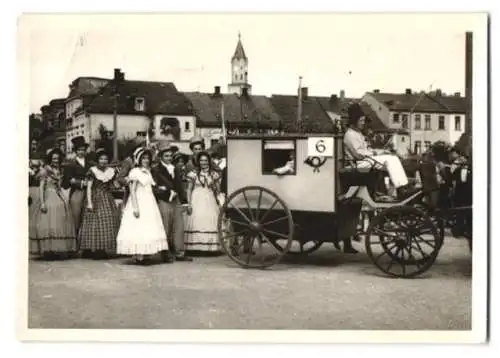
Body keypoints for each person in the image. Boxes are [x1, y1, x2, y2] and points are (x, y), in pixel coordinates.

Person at [115, 148, 169, 265]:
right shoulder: (135, 172)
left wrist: (161, 188)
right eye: (143, 158)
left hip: (149, 201)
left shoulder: (148, 172)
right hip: (139, 201)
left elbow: (150, 187)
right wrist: (135, 207)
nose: (146, 160)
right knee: (139, 226)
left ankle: (146, 254)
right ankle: (139, 255)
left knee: (149, 226)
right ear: (139, 159)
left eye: (148, 158)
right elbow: (132, 190)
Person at [343, 103, 409, 197]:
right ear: (354, 121)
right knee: (391, 160)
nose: (363, 123)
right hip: (358, 163)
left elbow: (367, 150)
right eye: (361, 120)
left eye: (363, 120)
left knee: (392, 159)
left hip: (365, 161)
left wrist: (381, 151)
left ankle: (395, 189)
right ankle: (401, 189)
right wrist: (375, 153)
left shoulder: (357, 133)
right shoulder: (350, 135)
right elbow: (358, 154)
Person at [29, 148, 77, 259]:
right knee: (48, 220)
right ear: (50, 159)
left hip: (58, 194)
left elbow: (60, 185)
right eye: (54, 158)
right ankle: (47, 250)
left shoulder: (60, 170)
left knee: (61, 217)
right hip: (48, 195)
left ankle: (56, 249)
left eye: (57, 158)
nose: (56, 160)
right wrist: (42, 203)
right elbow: (41, 187)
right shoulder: (45, 170)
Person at [152, 144, 192, 262]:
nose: (169, 158)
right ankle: (165, 253)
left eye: (170, 156)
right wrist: (166, 192)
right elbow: (154, 187)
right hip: (164, 200)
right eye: (166, 156)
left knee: (179, 226)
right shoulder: (156, 169)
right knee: (166, 226)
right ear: (161, 157)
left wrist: (184, 201)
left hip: (176, 200)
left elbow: (180, 186)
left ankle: (179, 252)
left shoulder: (175, 168)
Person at [78, 148, 120, 259]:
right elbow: (89, 187)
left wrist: (120, 182)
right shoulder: (93, 171)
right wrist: (90, 203)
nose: (103, 161)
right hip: (95, 196)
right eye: (101, 159)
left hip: (107, 197)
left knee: (107, 221)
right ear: (97, 160)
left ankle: (103, 248)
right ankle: (92, 249)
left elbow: (113, 185)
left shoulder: (111, 171)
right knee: (93, 223)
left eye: (105, 159)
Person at [184, 151, 223, 255]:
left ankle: (210, 248)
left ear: (209, 161)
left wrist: (213, 184)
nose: (203, 162)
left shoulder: (214, 174)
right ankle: (195, 247)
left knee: (209, 219)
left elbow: (218, 190)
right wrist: (189, 203)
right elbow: (189, 189)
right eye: (201, 160)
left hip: (209, 197)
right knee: (197, 219)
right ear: (198, 161)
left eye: (206, 160)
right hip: (196, 198)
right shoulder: (193, 174)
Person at [62, 136, 91, 237]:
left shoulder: (91, 163)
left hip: (90, 192)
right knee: (76, 217)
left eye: (83, 149)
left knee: (89, 218)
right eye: (79, 150)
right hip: (77, 192)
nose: (81, 152)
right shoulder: (70, 164)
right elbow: (67, 181)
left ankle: (86, 245)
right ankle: (74, 243)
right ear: (75, 151)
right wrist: (80, 182)